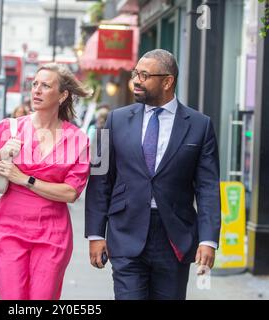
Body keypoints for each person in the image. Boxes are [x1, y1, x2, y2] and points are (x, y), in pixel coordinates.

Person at [85, 49, 221, 300]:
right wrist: (95, 233)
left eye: (144, 75)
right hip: (126, 232)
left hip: (174, 237)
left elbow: (208, 187)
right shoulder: (114, 120)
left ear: (167, 81)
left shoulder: (201, 125)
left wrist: (208, 240)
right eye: (136, 73)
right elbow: (99, 178)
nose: (136, 80)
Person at [0, 63, 91, 299]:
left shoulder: (77, 139)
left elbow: (71, 193)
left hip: (52, 234)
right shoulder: (9, 129)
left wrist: (25, 179)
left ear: (62, 95)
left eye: (46, 85)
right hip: (8, 229)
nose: (37, 91)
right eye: (35, 85)